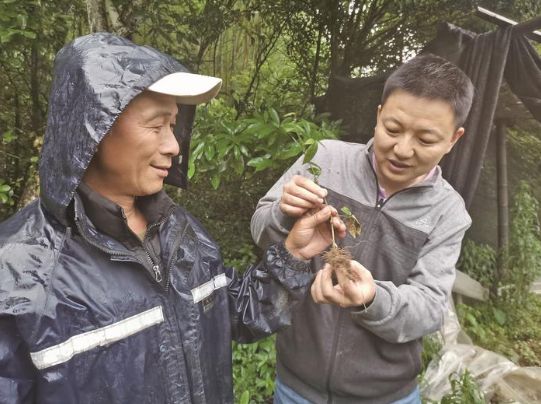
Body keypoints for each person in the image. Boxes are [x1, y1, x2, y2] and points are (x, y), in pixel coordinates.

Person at [0, 33, 348, 404]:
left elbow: (235, 312)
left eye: (173, 125)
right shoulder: (19, 272)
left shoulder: (179, 230)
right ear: (93, 129)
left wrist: (294, 253)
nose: (174, 146)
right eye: (156, 126)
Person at [251, 53, 475, 404]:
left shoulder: (448, 212)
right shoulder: (325, 160)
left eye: (426, 140)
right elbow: (260, 229)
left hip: (385, 394)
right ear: (378, 115)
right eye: (393, 129)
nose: (402, 149)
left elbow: (431, 308)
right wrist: (282, 213)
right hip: (296, 384)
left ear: (453, 139)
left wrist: (373, 298)